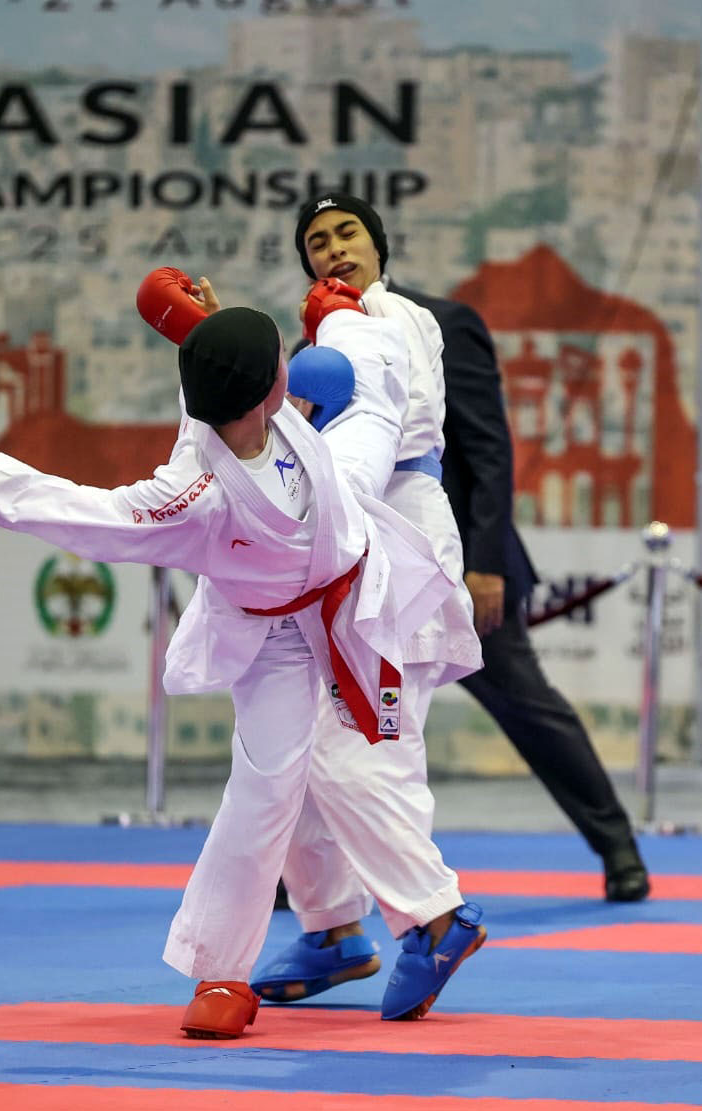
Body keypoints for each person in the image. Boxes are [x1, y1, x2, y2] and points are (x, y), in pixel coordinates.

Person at [0, 298, 462, 1039]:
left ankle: (358, 927)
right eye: (281, 360)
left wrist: (223, 329)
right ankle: (222, 971)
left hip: (343, 546)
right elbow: (93, 516)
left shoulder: (243, 411)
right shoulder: (195, 494)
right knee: (264, 793)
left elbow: (224, 385)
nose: (291, 367)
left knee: (370, 402)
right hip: (275, 638)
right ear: (270, 388)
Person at [279, 193, 651, 916]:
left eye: (347, 233)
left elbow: (487, 449)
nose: (335, 248)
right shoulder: (312, 353)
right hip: (356, 567)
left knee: (526, 708)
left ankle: (617, 848)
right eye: (317, 242)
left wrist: (484, 564)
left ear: (377, 245)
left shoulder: (436, 322)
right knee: (326, 716)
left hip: (450, 559)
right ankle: (303, 884)